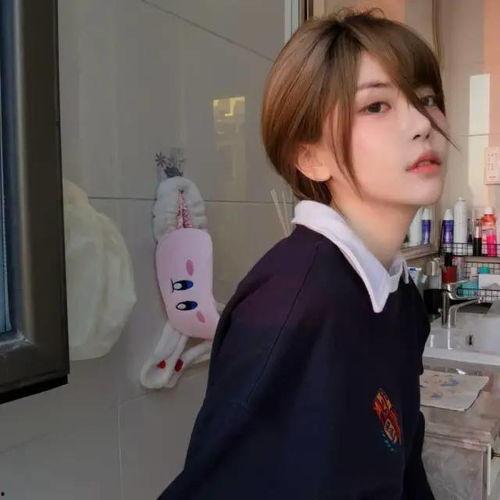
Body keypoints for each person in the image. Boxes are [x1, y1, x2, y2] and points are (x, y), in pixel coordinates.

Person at [159, 7, 454, 499]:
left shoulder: (395, 294)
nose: (422, 123)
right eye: (376, 106)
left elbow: (403, 463)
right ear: (311, 156)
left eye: (426, 99)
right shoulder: (297, 307)